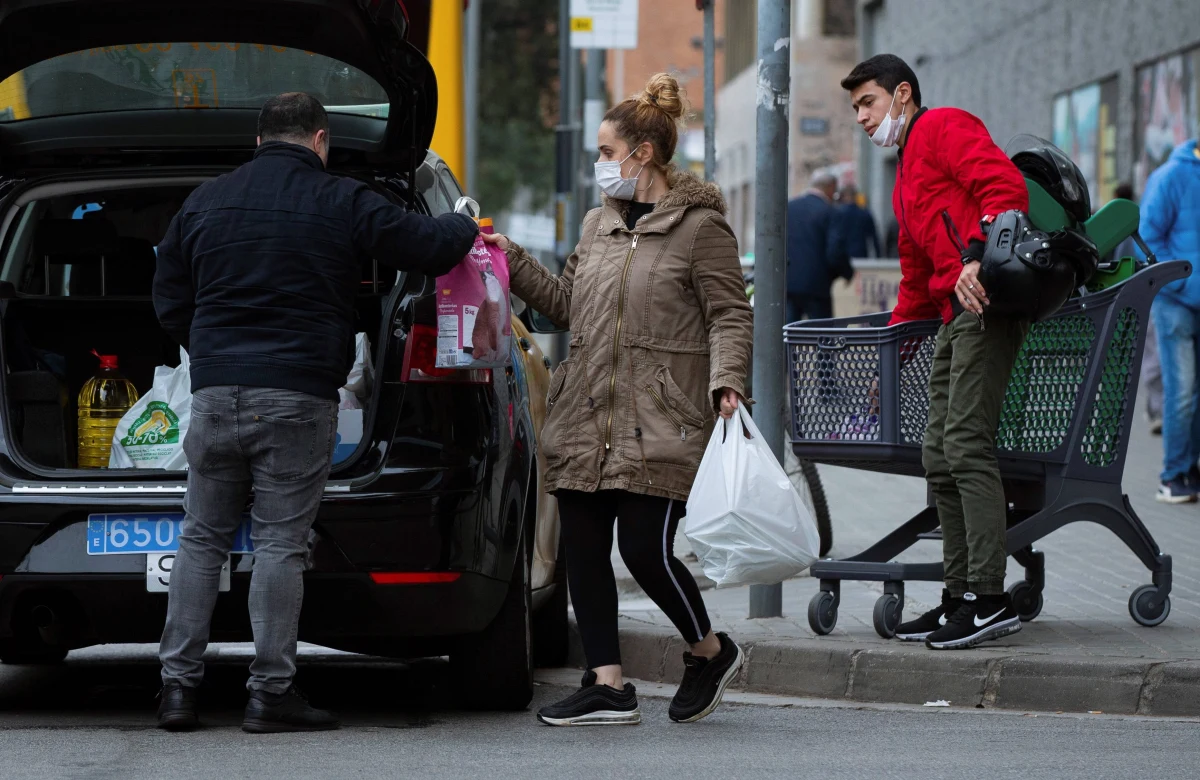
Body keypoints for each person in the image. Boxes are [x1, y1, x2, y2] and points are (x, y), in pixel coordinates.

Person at [152, 92, 478, 732]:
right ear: (321, 140)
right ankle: (269, 694)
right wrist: (464, 222)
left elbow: (167, 292)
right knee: (280, 543)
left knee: (201, 537)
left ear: (258, 140)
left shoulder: (205, 201)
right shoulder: (341, 199)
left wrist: (212, 353)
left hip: (214, 396)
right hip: (296, 396)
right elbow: (427, 246)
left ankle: (177, 691)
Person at [481, 73, 753, 726]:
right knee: (582, 546)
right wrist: (509, 258)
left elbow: (729, 313)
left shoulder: (701, 228)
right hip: (587, 411)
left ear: (643, 154)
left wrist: (728, 380)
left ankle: (710, 652)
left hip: (661, 416)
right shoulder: (598, 223)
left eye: (607, 152)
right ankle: (607, 684)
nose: (600, 164)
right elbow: (567, 305)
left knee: (644, 550)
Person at [841, 54, 1030, 650]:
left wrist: (977, 256)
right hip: (952, 315)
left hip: (986, 306)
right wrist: (888, 362)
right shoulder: (903, 176)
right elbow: (916, 279)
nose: (861, 117)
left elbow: (1005, 188)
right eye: (855, 109)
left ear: (902, 93)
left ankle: (989, 599)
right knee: (939, 455)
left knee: (965, 445)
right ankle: (958, 595)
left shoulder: (945, 125)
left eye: (868, 102)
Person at [1140, 133, 1200, 502]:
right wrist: (1181, 283)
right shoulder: (1170, 176)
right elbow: (1147, 238)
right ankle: (1174, 475)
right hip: (1175, 302)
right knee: (1182, 392)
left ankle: (1190, 469)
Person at [1110, 182, 1163, 435]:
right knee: (1155, 353)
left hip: (1132, 295)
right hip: (1155, 292)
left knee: (1147, 353)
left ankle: (1156, 409)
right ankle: (1158, 409)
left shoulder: (1118, 225)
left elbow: (1115, 262)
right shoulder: (1141, 219)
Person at [786, 170, 853, 321]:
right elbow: (835, 252)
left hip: (788, 283)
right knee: (821, 332)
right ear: (830, 187)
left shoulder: (789, 208)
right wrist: (847, 273)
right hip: (817, 285)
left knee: (788, 331)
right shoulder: (830, 212)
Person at [835, 184, 882, 259]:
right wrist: (879, 256)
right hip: (861, 253)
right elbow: (874, 237)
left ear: (843, 197)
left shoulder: (836, 213)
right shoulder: (865, 213)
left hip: (841, 255)